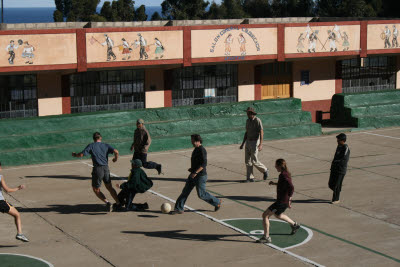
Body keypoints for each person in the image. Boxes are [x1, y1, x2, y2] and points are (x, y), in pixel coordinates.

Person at [170, 134, 221, 215]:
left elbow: (203, 164)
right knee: (185, 192)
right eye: (191, 140)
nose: (192, 142)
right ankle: (179, 209)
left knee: (201, 195)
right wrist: (192, 169)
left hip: (200, 176)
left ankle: (217, 202)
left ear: (198, 141)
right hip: (193, 174)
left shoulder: (202, 150)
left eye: (193, 141)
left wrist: (195, 172)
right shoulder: (196, 149)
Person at [72, 132, 121, 211]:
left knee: (96, 189)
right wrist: (115, 159)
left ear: (93, 139)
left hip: (97, 169)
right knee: (109, 187)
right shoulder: (105, 145)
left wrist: (75, 155)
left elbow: (81, 155)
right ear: (100, 138)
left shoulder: (91, 145)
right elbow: (116, 151)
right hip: (106, 168)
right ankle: (118, 203)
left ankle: (108, 203)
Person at [257, 159, 300, 244]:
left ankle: (266, 237)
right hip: (282, 201)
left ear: (280, 166)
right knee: (278, 215)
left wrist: (290, 198)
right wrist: (274, 183)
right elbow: (283, 184)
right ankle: (294, 225)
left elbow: (291, 187)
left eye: (276, 165)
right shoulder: (284, 174)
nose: (275, 167)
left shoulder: (283, 175)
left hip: (281, 202)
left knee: (265, 215)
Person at [0, 162, 29, 242]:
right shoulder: (0, 177)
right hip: (0, 202)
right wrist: (18, 188)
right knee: (17, 214)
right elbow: (7, 190)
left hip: (2, 202)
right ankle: (20, 234)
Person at [240, 107, 269, 182]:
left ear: (252, 113)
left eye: (248, 113)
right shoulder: (247, 121)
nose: (247, 114)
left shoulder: (257, 120)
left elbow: (261, 132)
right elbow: (246, 132)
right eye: (247, 112)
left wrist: (260, 144)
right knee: (247, 161)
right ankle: (250, 177)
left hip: (255, 142)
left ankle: (265, 170)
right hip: (248, 142)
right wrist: (243, 144)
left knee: (254, 161)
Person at [328, 133, 350, 204]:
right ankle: (337, 190)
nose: (337, 140)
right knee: (331, 184)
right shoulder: (338, 146)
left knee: (337, 185)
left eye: (338, 139)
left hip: (340, 170)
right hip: (334, 168)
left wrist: (336, 162)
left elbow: (344, 159)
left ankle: (336, 199)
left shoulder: (345, 148)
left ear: (342, 140)